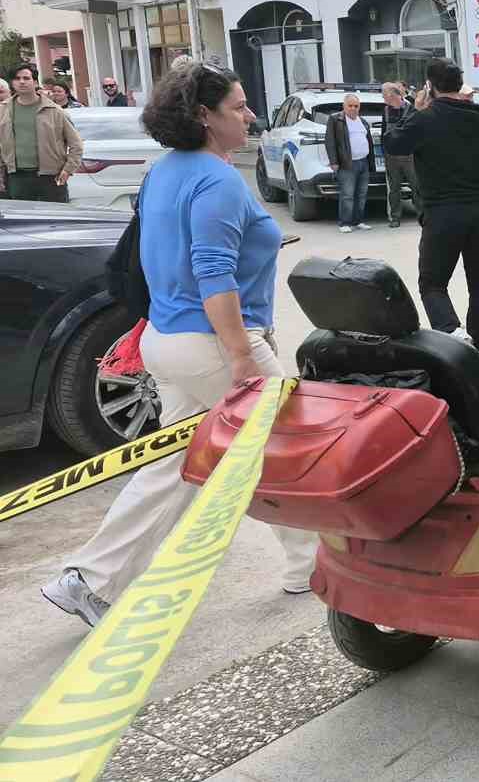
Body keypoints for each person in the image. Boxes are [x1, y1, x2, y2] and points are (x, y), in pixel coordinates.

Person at [41, 63, 318, 628]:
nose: (250, 116)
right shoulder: (215, 180)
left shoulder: (165, 171)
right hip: (214, 343)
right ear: (204, 116)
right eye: (239, 107)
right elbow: (213, 273)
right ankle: (316, 568)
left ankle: (88, 580)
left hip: (169, 339)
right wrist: (242, 356)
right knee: (292, 450)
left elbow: (156, 256)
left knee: (175, 466)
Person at [385, 59, 479, 354]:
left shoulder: (424, 118)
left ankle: (451, 332)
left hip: (442, 213)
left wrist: (409, 109)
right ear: (460, 86)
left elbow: (393, 144)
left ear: (430, 87)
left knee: (432, 283)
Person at [0, 63, 83, 202]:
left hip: (50, 177)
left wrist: (67, 170)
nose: (21, 82)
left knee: (55, 220)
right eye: (17, 78)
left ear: (35, 82)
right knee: (23, 221)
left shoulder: (54, 111)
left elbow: (76, 145)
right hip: (17, 177)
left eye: (26, 78)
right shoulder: (3, 110)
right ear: (12, 83)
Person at [325, 93, 376, 233]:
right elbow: (330, 142)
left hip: (363, 162)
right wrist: (334, 162)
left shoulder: (363, 121)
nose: (353, 108)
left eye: (356, 106)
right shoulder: (336, 120)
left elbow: (369, 143)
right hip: (347, 164)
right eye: (350, 106)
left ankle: (358, 220)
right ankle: (344, 223)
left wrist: (371, 163)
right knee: (347, 194)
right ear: (344, 106)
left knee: (362, 194)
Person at [380, 81, 418, 228]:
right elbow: (384, 132)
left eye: (385, 95)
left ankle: (421, 214)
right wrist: (385, 151)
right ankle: (395, 217)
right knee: (394, 189)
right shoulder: (385, 111)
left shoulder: (411, 108)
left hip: (409, 155)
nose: (383, 98)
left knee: (416, 186)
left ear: (393, 95)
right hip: (392, 156)